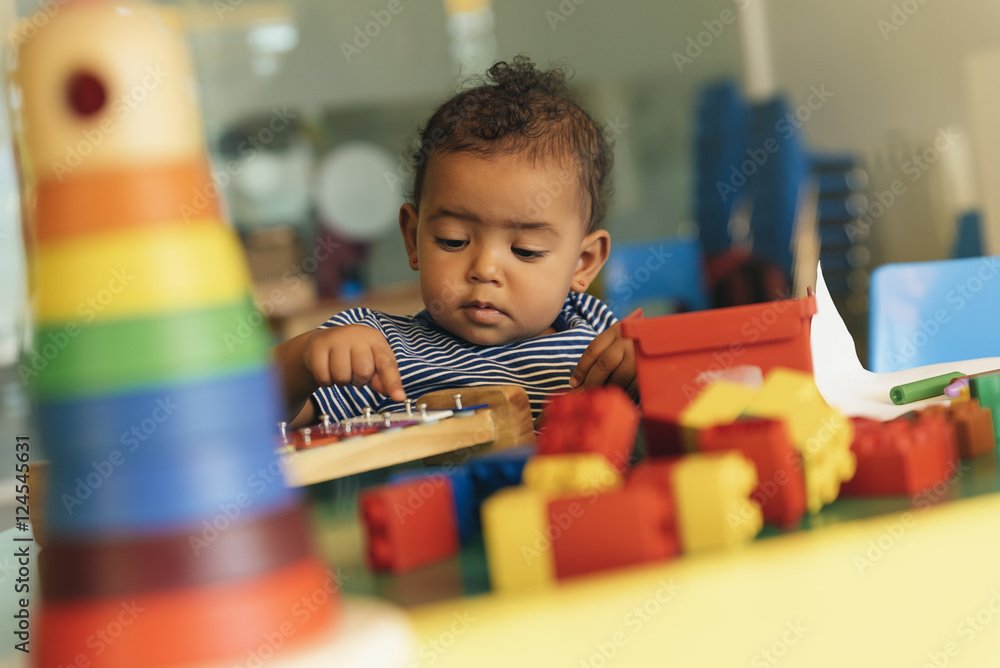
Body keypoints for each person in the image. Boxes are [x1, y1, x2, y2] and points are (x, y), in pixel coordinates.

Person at [275, 56, 638, 426]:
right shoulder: (380, 350)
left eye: (525, 250)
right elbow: (259, 416)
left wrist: (647, 371)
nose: (484, 269)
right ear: (413, 239)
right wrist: (303, 360)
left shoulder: (597, 343)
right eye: (453, 241)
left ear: (584, 263)